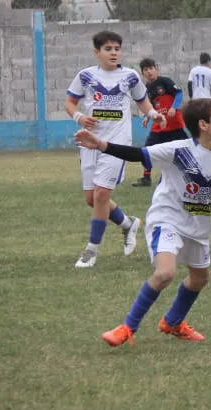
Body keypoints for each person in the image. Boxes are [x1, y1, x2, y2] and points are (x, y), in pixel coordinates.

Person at [74, 99, 211, 348]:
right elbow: (138, 154)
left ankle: (172, 322)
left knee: (200, 278)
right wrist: (101, 145)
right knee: (165, 273)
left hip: (198, 223)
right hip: (167, 217)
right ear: (203, 125)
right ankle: (127, 327)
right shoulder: (179, 150)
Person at [65, 30, 165, 269]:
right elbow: (70, 102)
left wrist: (152, 114)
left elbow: (142, 101)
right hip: (90, 142)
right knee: (92, 199)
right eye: (108, 49)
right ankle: (127, 224)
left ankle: (91, 250)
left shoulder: (130, 76)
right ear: (97, 52)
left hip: (117, 144)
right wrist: (79, 117)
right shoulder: (85, 76)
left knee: (101, 195)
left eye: (117, 49)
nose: (114, 53)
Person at [132, 58, 189, 187]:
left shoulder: (165, 81)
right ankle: (146, 178)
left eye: (151, 68)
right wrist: (147, 116)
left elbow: (179, 93)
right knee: (147, 150)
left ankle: (190, 174)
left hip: (174, 124)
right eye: (145, 70)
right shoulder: (147, 88)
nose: (149, 72)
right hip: (159, 125)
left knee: (185, 151)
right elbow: (150, 105)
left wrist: (174, 107)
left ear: (156, 69)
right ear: (142, 73)